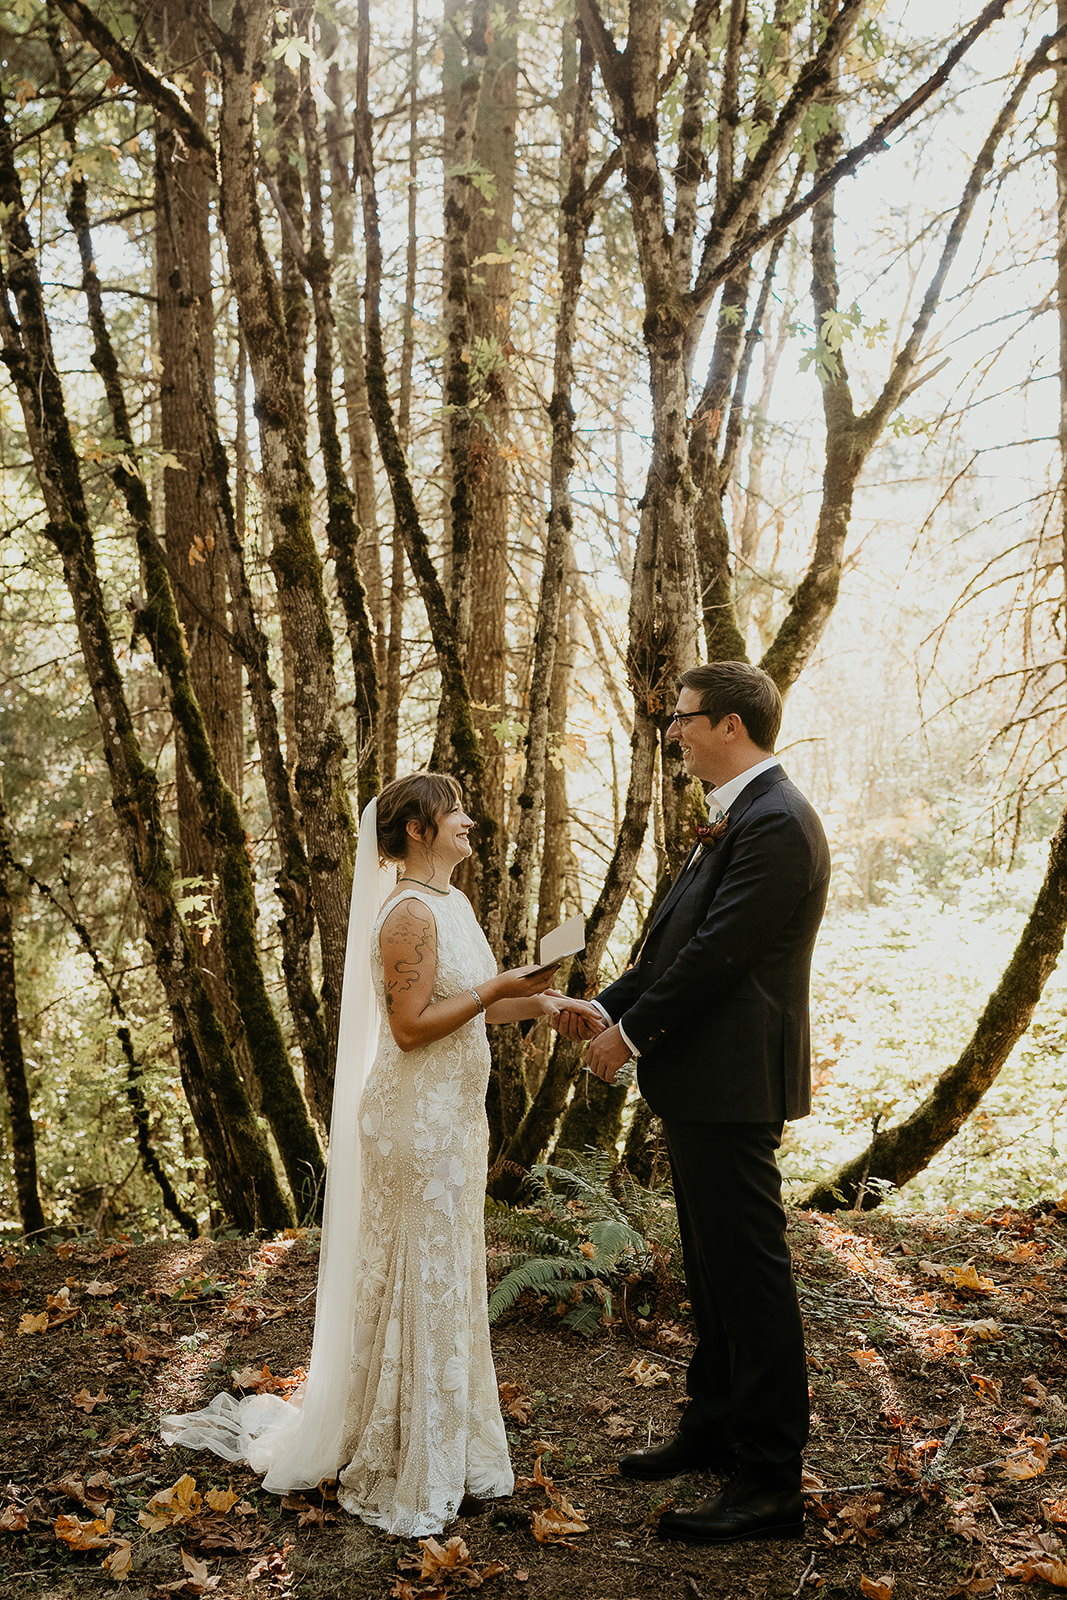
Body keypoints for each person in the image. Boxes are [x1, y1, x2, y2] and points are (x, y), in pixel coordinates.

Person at [163, 771, 603, 1539]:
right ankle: (403, 1454)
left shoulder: (453, 905)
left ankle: (447, 1443)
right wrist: (500, 983)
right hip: (412, 1123)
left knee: (446, 1274)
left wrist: (538, 1001)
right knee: (417, 1274)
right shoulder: (405, 914)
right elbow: (410, 1027)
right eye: (454, 811)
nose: (469, 819)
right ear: (415, 830)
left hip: (456, 1121)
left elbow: (473, 1001)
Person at [557, 661, 829, 1545]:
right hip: (705, 1079)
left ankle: (769, 1481)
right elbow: (671, 941)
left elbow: (718, 954)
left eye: (681, 719)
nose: (670, 732)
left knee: (749, 1278)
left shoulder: (778, 822)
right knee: (712, 1272)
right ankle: (713, 1428)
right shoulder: (736, 816)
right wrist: (607, 1006)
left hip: (734, 1079)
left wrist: (627, 1039)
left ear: (729, 726)